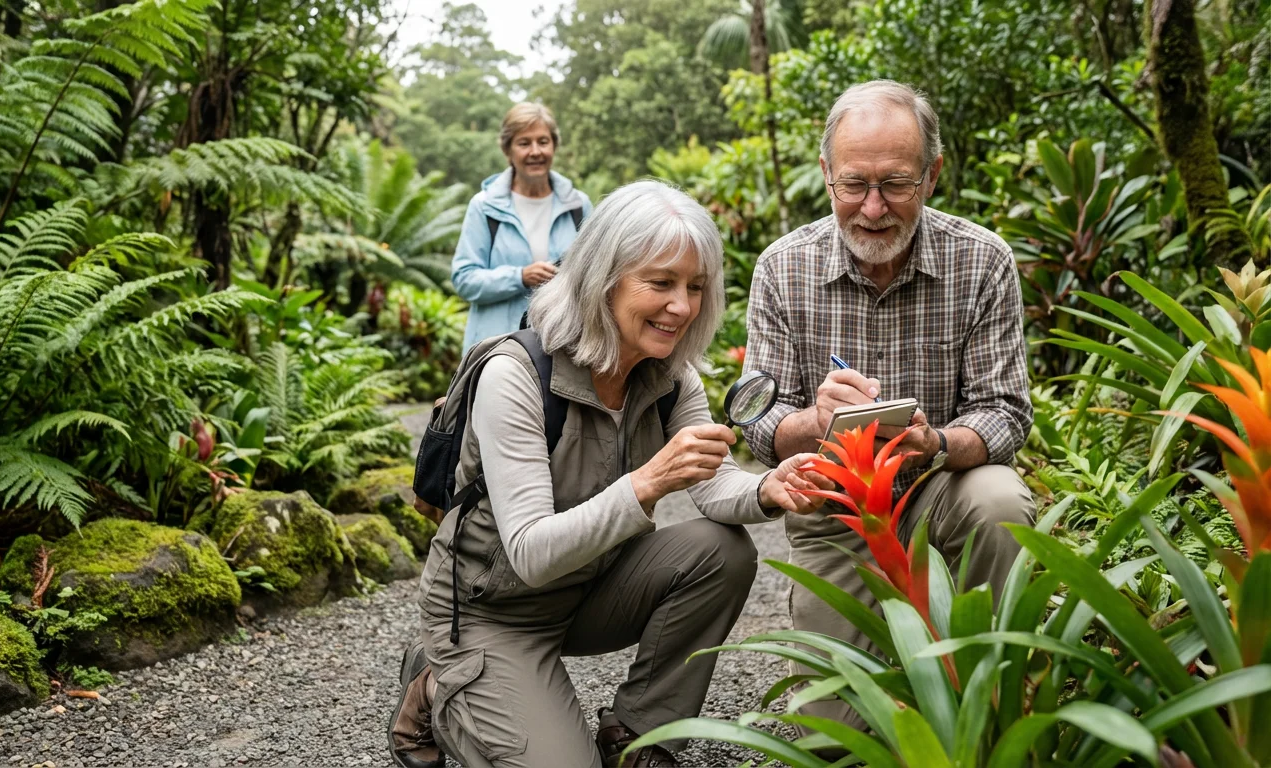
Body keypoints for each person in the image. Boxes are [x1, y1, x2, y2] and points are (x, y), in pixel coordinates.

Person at [388, 180, 833, 768]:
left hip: (589, 591)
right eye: (661, 282)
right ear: (604, 279)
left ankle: (638, 737)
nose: (683, 306)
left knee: (720, 549)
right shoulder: (516, 374)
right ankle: (439, 677)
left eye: (695, 286)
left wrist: (767, 487)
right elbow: (530, 553)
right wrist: (647, 483)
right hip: (494, 609)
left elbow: (713, 483)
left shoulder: (671, 376)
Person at [740, 80, 1036, 730]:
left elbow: (1006, 411)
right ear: (825, 175)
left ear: (931, 174)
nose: (873, 208)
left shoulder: (981, 260)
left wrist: (938, 444)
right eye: (854, 185)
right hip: (836, 510)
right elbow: (756, 418)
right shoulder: (782, 268)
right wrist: (813, 424)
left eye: (896, 184)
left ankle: (993, 693)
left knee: (1000, 498)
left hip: (937, 489)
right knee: (832, 734)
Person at [451, 102, 593, 351]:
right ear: (508, 151)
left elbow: (595, 273)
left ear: (554, 146)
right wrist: (520, 277)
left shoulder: (578, 205)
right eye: (524, 143)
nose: (535, 151)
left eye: (543, 141)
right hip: (495, 350)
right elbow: (464, 279)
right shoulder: (484, 207)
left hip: (561, 349)